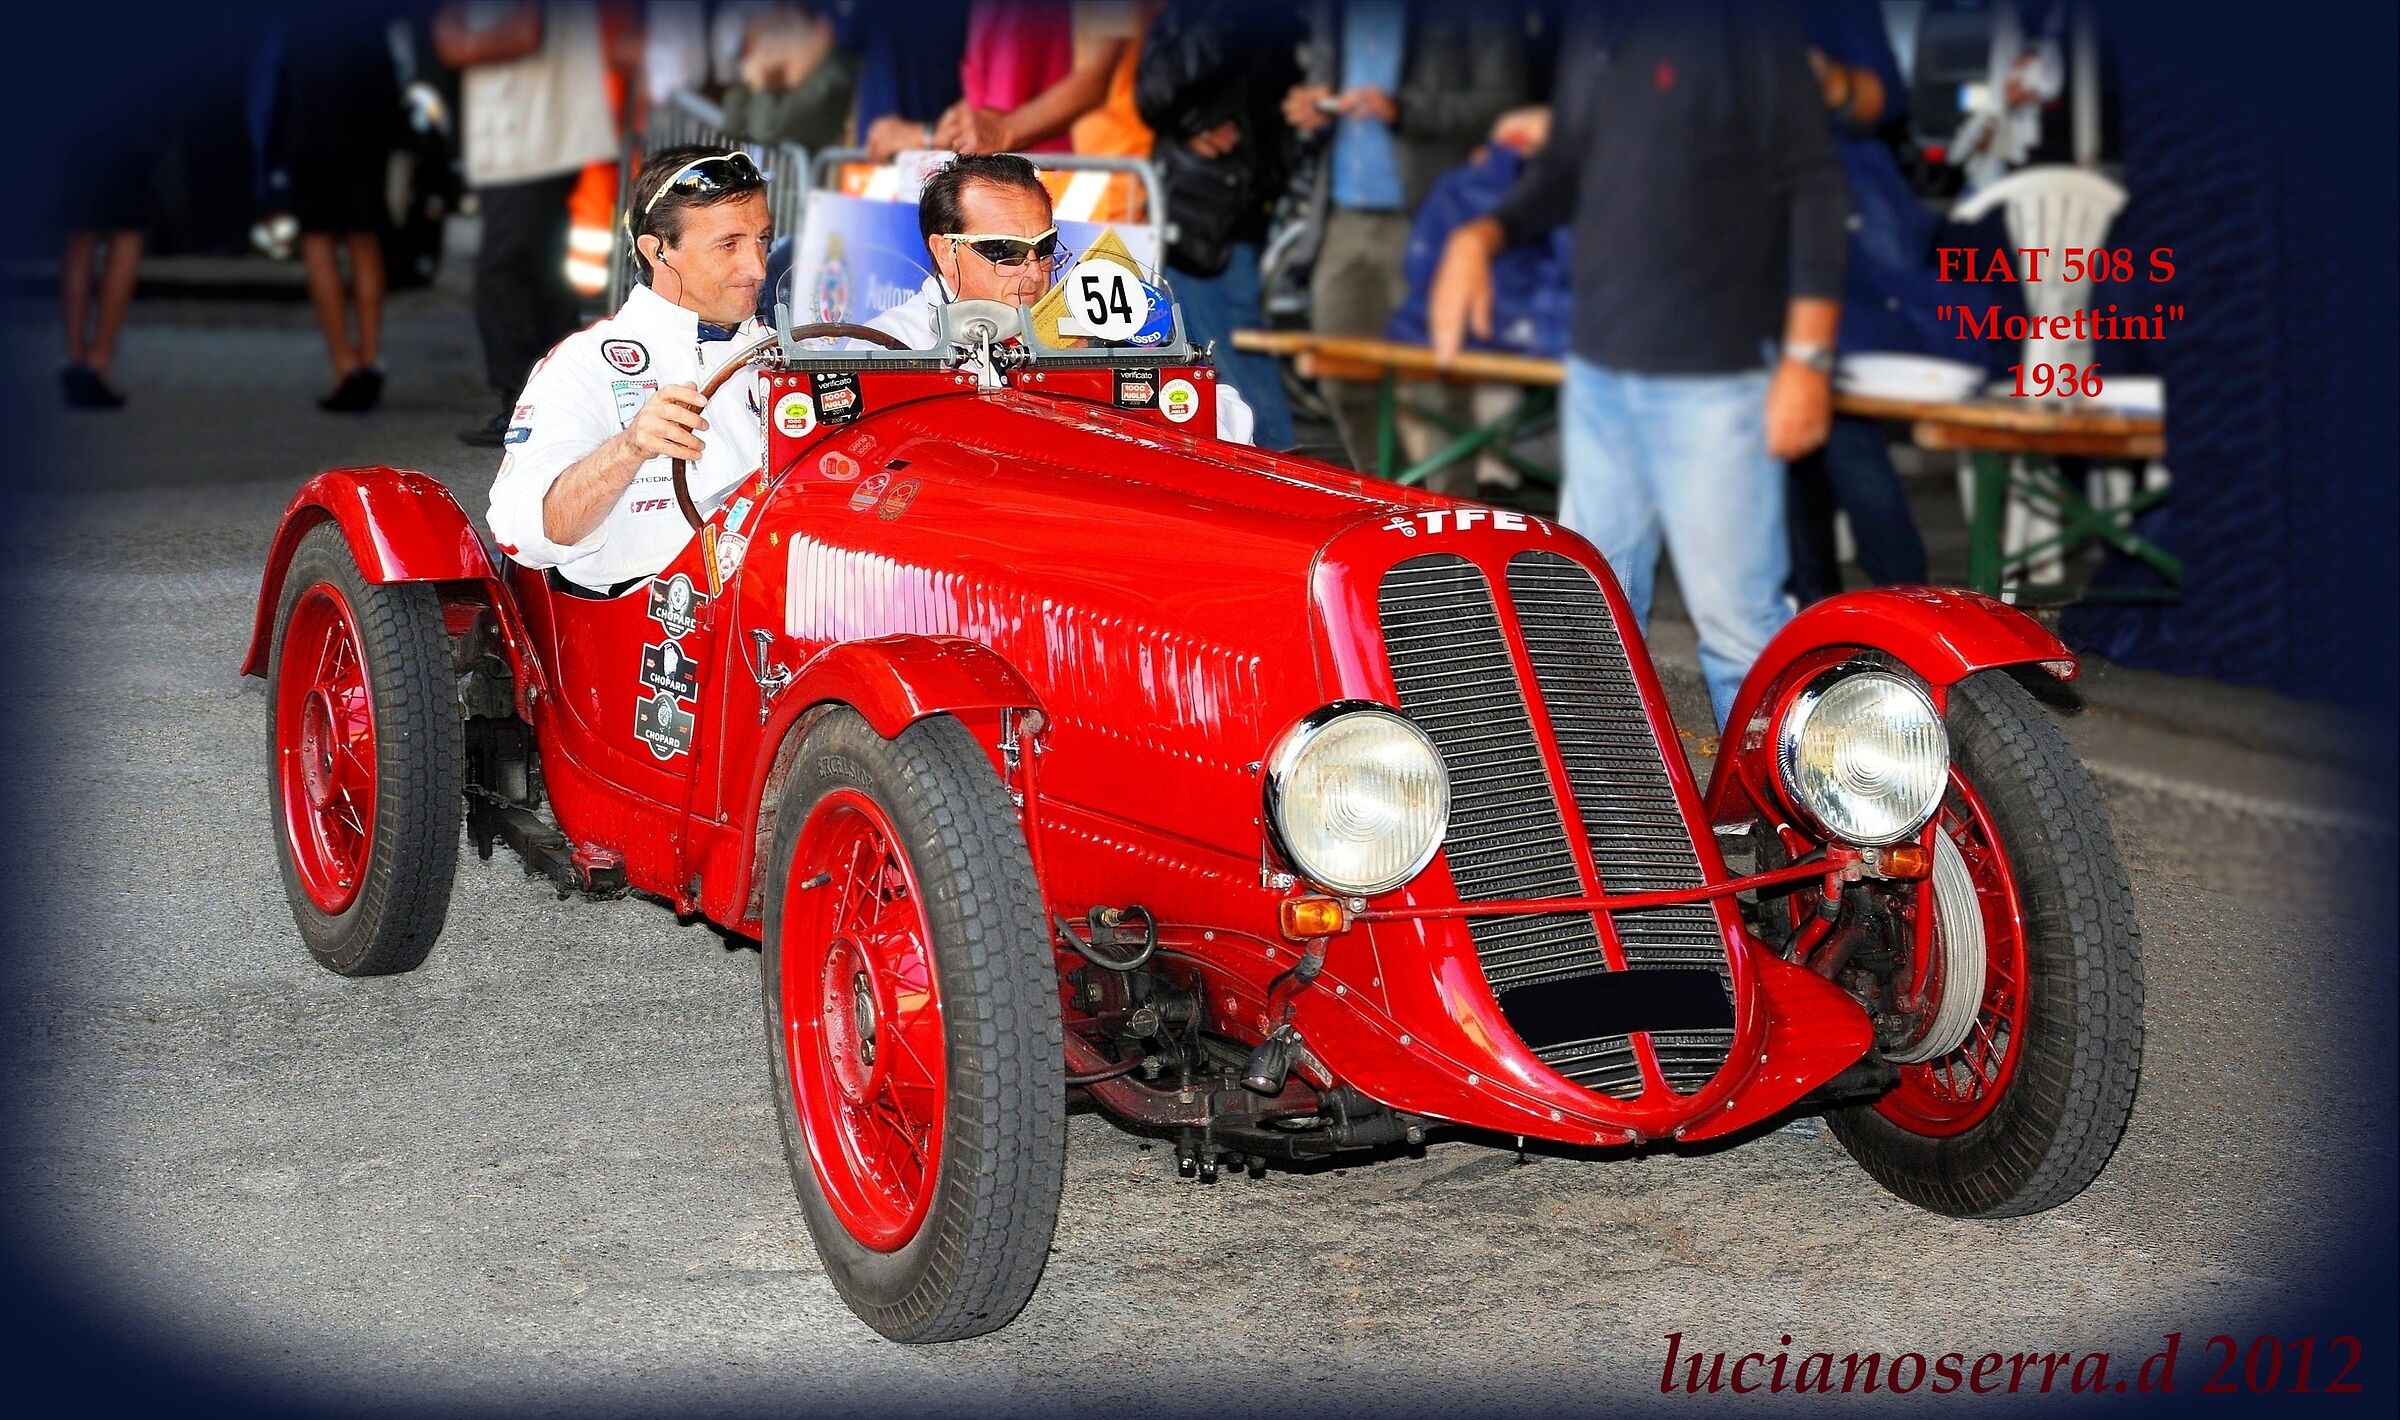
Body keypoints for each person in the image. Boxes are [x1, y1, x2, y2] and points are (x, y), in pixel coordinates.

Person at [1429, 2, 1849, 728]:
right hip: (1599, 373)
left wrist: (1808, 359)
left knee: (1739, 635)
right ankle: (1610, 824)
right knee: (1588, 622)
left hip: (1715, 381)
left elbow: (1814, 184)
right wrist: (1483, 234)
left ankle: (1775, 829)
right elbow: (1563, 169)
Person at [487, 147, 774, 594]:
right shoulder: (586, 361)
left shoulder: (791, 352)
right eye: (729, 245)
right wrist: (629, 448)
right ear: (658, 251)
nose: (757, 267)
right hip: (649, 624)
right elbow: (521, 534)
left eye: (762, 240)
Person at [1283, 0, 1527, 482]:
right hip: (1342, 217)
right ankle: (1391, 508)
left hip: (1431, 220)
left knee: (1434, 392)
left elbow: (1504, 101)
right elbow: (1321, 85)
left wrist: (1403, 110)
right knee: (1341, 382)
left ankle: (1451, 529)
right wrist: (1312, 108)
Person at [867, 153, 1254, 445]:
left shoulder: (1096, 315)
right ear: (944, 253)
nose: (1035, 273)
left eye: (1045, 246)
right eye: (1005, 250)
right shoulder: (893, 346)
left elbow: (1231, 429)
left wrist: (1101, 375)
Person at [1784, 0, 1936, 605]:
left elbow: (1886, 100)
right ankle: (1819, 611)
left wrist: (1827, 81)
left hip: (1832, 233)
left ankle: (1902, 600)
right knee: (1781, 445)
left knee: (1842, 424)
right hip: (1740, 233)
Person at [436, 2, 620, 448]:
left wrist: (462, 41)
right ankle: (552, 400)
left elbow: (519, 33)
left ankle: (524, 403)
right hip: (534, 133)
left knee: (508, 270)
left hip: (530, 136)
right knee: (540, 267)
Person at [1134, 0, 1301, 450]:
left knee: (1243, 378)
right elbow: (1152, 95)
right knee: (1197, 376)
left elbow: (1285, 100)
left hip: (1234, 221)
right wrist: (1197, 123)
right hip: (1184, 207)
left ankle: (1279, 488)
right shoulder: (1188, 17)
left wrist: (1215, 126)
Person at [262, 10, 407, 412]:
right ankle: (371, 358)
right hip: (366, 113)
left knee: (318, 240)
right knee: (364, 238)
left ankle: (345, 364)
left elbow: (278, 64)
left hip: (309, 117)